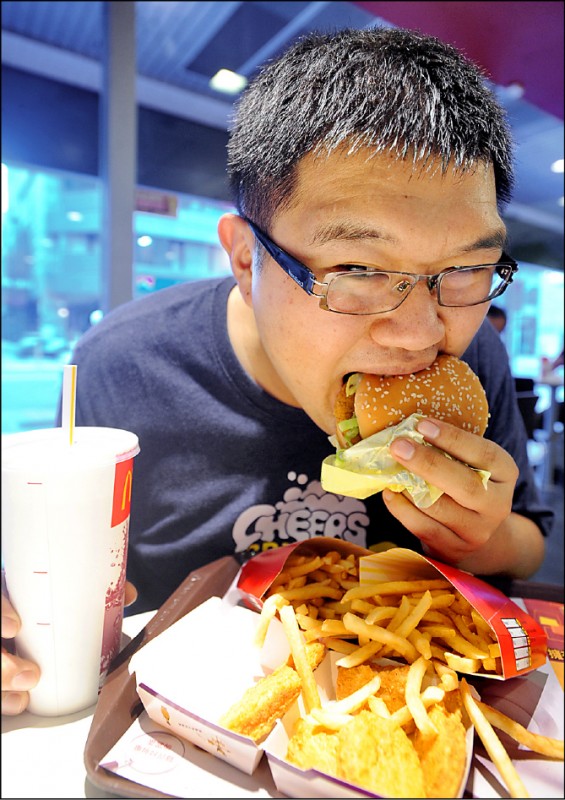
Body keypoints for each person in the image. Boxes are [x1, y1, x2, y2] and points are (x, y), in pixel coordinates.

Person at [2, 26, 554, 715]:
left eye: (465, 269)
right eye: (355, 269)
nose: (422, 333)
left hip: (400, 715)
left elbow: (526, 549)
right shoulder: (121, 365)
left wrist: (485, 536)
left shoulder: (475, 357)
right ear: (243, 260)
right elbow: (62, 553)